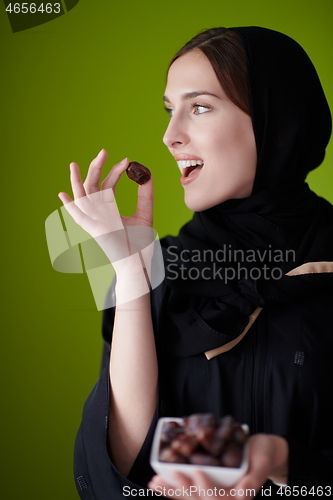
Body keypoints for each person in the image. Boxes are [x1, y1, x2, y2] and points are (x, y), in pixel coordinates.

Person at [59, 27, 333, 499]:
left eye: (199, 107)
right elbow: (121, 470)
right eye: (169, 111)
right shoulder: (160, 272)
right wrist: (130, 272)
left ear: (276, 119)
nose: (170, 136)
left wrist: (283, 464)